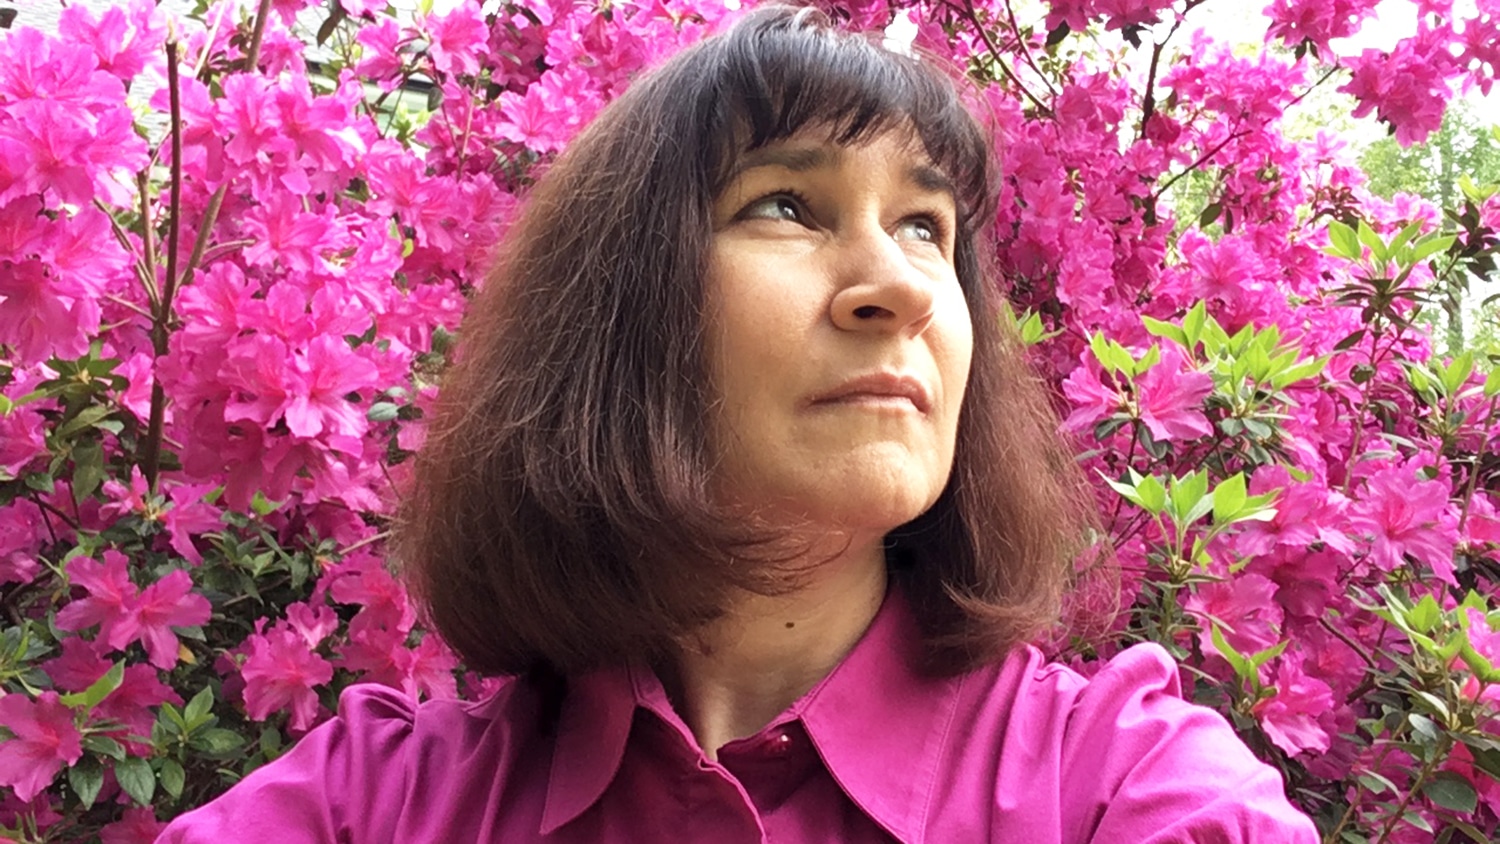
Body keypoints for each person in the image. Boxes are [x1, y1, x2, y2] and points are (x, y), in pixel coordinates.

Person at [158, 7, 1319, 842]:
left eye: (926, 226)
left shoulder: (1118, 786)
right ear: (618, 309)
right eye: (783, 204)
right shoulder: (380, 803)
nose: (903, 286)